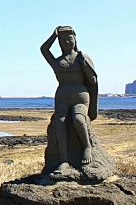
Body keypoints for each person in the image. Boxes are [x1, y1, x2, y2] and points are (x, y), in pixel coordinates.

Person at [40, 26, 98, 173]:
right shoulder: (57, 61)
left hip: (80, 95)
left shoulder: (81, 58)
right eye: (62, 39)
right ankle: (63, 160)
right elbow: (44, 49)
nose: (66, 41)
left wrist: (87, 69)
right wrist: (53, 35)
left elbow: (93, 80)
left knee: (78, 119)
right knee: (60, 123)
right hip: (62, 96)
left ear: (75, 39)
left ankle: (87, 147)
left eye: (69, 38)